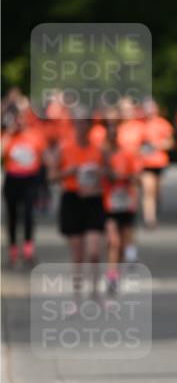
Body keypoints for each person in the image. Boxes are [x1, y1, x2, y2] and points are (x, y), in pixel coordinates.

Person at [50, 114, 106, 304]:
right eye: (78, 123)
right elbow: (51, 177)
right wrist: (69, 171)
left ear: (90, 127)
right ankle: (76, 293)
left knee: (94, 251)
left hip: (93, 200)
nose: (81, 127)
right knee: (77, 254)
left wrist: (99, 173)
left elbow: (110, 174)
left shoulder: (98, 150)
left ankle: (95, 290)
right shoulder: (64, 148)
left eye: (85, 123)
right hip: (72, 199)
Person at [101, 111, 143, 293]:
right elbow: (99, 175)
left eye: (114, 130)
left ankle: (116, 272)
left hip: (126, 202)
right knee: (113, 240)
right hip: (108, 202)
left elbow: (137, 177)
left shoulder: (128, 153)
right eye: (109, 130)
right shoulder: (101, 153)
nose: (112, 134)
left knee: (123, 241)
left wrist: (126, 178)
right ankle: (111, 273)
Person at [2, 105, 48, 266]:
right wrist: (8, 133)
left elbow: (44, 159)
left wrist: (43, 184)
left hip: (30, 180)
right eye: (17, 118)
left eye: (22, 118)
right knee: (12, 216)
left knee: (28, 215)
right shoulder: (8, 136)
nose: (19, 122)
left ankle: (28, 250)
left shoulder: (36, 135)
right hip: (12, 179)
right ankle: (13, 251)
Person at [138, 97, 174, 229]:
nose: (149, 110)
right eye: (146, 107)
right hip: (144, 164)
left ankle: (154, 208)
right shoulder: (139, 125)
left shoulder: (163, 124)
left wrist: (158, 145)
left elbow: (170, 143)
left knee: (156, 191)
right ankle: (150, 218)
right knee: (148, 189)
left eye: (151, 107)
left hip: (159, 163)